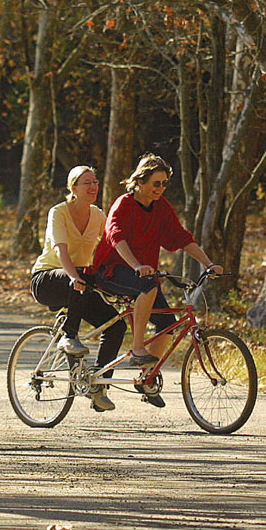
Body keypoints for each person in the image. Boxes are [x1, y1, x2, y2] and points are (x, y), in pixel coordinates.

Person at [89, 153, 223, 408]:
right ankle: (138, 348)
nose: (161, 189)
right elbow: (116, 237)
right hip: (111, 270)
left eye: (164, 184)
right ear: (140, 181)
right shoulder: (124, 204)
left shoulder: (160, 207)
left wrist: (208, 264)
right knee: (148, 286)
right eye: (156, 183)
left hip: (143, 274)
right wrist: (137, 265)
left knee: (168, 324)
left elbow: (181, 237)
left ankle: (147, 377)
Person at [30, 165, 127, 412]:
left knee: (116, 325)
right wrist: (74, 277)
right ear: (73, 187)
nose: (93, 187)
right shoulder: (58, 212)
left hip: (79, 283)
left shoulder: (97, 215)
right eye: (87, 182)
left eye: (95, 182)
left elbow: (112, 245)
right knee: (83, 276)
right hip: (47, 279)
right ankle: (69, 336)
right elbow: (61, 250)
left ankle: (99, 386)